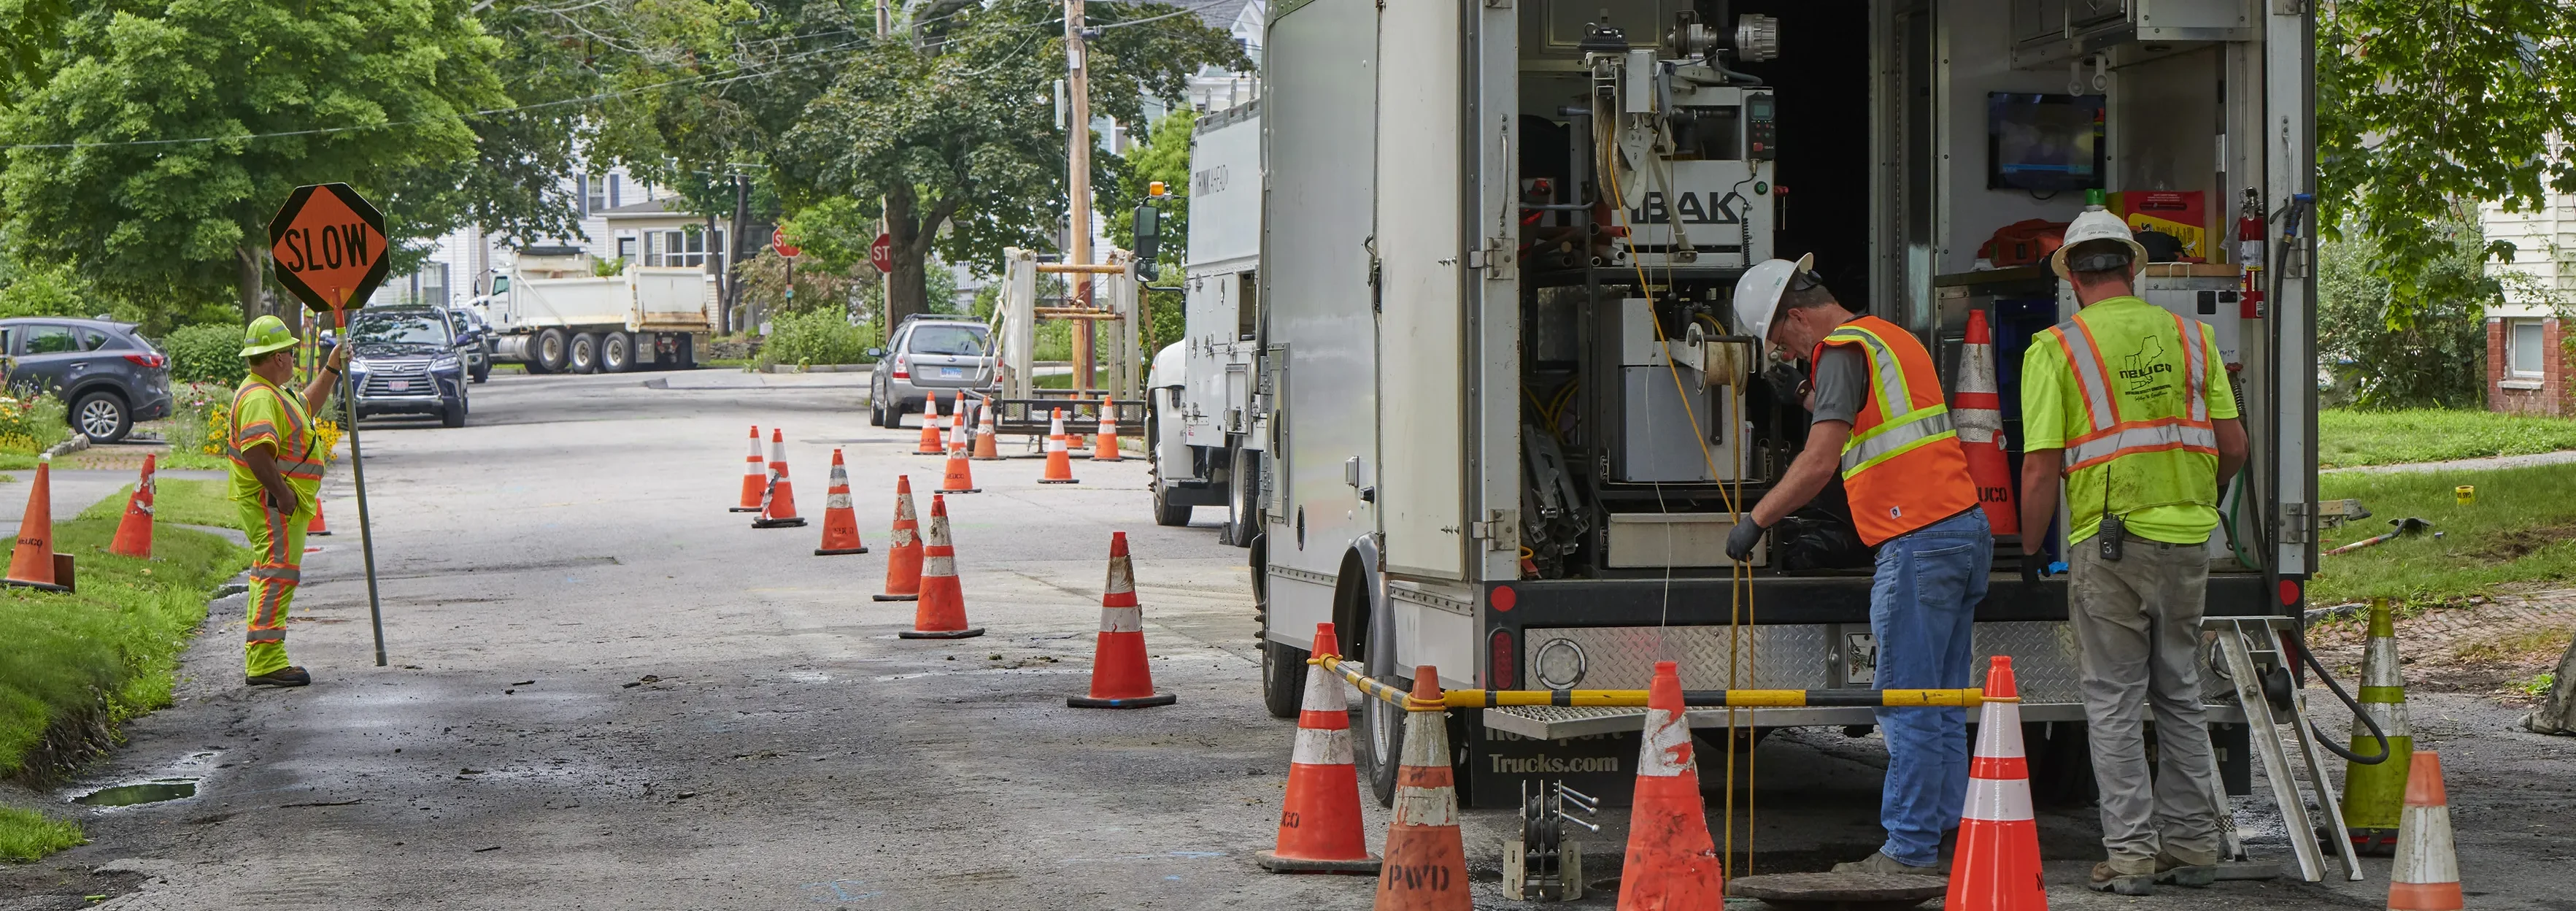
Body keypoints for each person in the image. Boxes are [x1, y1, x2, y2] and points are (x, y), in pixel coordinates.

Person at [1724, 255, 1993, 876]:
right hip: (1961, 531)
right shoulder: (1889, 338)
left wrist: (1755, 521)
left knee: (1906, 702)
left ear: (1795, 316)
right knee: (1942, 700)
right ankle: (1944, 838)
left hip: (1916, 540)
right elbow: (1860, 409)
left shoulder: (1841, 350)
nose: (1788, 351)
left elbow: (1821, 460)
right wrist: (1799, 391)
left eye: (1781, 340)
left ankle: (1908, 849)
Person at [2015, 208, 2249, 896]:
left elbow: (2039, 469)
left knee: (2114, 701)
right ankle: (2194, 847)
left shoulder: (2056, 349)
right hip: (2187, 540)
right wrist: (2197, 492)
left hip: (2108, 545)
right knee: (2178, 692)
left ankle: (2132, 858)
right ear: (2131, 268)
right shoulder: (2193, 337)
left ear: (2073, 279)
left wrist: (2030, 548)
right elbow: (2233, 448)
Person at [229, 315, 350, 688]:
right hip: (273, 505)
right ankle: (266, 662)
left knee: (271, 573)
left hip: (278, 505)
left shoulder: (271, 392)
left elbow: (307, 406)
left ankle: (263, 656)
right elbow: (257, 453)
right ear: (278, 357)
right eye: (290, 352)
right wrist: (283, 495)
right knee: (277, 574)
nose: (294, 357)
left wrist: (331, 367)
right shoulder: (260, 397)